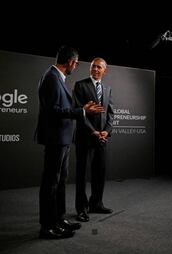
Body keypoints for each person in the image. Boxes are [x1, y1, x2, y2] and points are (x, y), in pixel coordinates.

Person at [36, 46, 104, 239]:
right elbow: (53, 111)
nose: (75, 66)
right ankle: (47, 226)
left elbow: (60, 108)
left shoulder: (56, 77)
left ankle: (59, 219)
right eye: (76, 63)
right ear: (71, 62)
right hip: (55, 139)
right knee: (50, 183)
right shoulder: (51, 77)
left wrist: (81, 110)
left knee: (60, 181)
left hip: (62, 139)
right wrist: (82, 111)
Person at [73, 58, 114, 222]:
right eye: (93, 67)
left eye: (99, 67)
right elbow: (78, 112)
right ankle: (81, 209)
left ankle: (96, 203)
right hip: (85, 138)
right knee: (82, 175)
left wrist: (106, 131)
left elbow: (111, 113)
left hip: (102, 139)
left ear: (105, 70)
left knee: (100, 172)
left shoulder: (107, 88)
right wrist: (94, 132)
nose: (95, 69)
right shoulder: (80, 85)